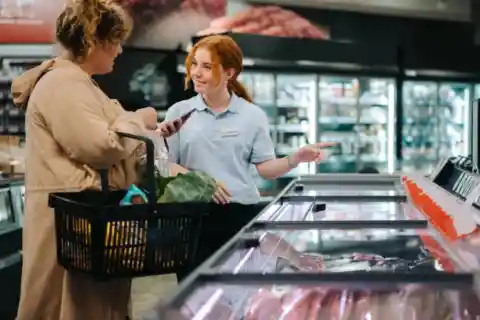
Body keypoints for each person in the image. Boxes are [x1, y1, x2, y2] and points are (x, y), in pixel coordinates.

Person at [10, 0, 183, 319]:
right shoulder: (63, 84)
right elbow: (99, 148)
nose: (119, 51)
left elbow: (114, 135)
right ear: (93, 42)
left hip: (87, 220)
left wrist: (150, 130)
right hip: (70, 223)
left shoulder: (82, 85)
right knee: (67, 305)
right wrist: (138, 121)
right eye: (114, 42)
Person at [165, 35, 334, 205]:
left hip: (242, 208)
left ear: (228, 73)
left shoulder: (252, 115)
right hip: (192, 212)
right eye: (194, 64)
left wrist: (296, 158)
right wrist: (202, 183)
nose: (196, 73)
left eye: (207, 67)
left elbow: (265, 169)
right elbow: (166, 165)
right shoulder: (179, 112)